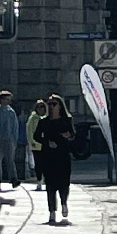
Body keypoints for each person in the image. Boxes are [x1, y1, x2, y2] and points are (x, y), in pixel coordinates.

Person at [35, 94, 77, 225]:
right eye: (49, 104)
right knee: (50, 185)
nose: (51, 107)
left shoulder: (66, 120)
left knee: (64, 182)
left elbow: (73, 135)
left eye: (54, 104)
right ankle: (52, 211)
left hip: (63, 155)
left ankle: (64, 202)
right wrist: (46, 142)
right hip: (48, 156)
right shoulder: (44, 121)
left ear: (60, 106)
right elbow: (36, 136)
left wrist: (68, 135)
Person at [25, 99, 48, 191]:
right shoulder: (32, 118)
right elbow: (29, 131)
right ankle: (39, 181)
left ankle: (47, 181)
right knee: (38, 164)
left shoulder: (47, 118)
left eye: (42, 107)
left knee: (46, 164)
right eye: (38, 107)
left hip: (46, 144)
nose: (40, 109)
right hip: (36, 145)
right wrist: (32, 142)